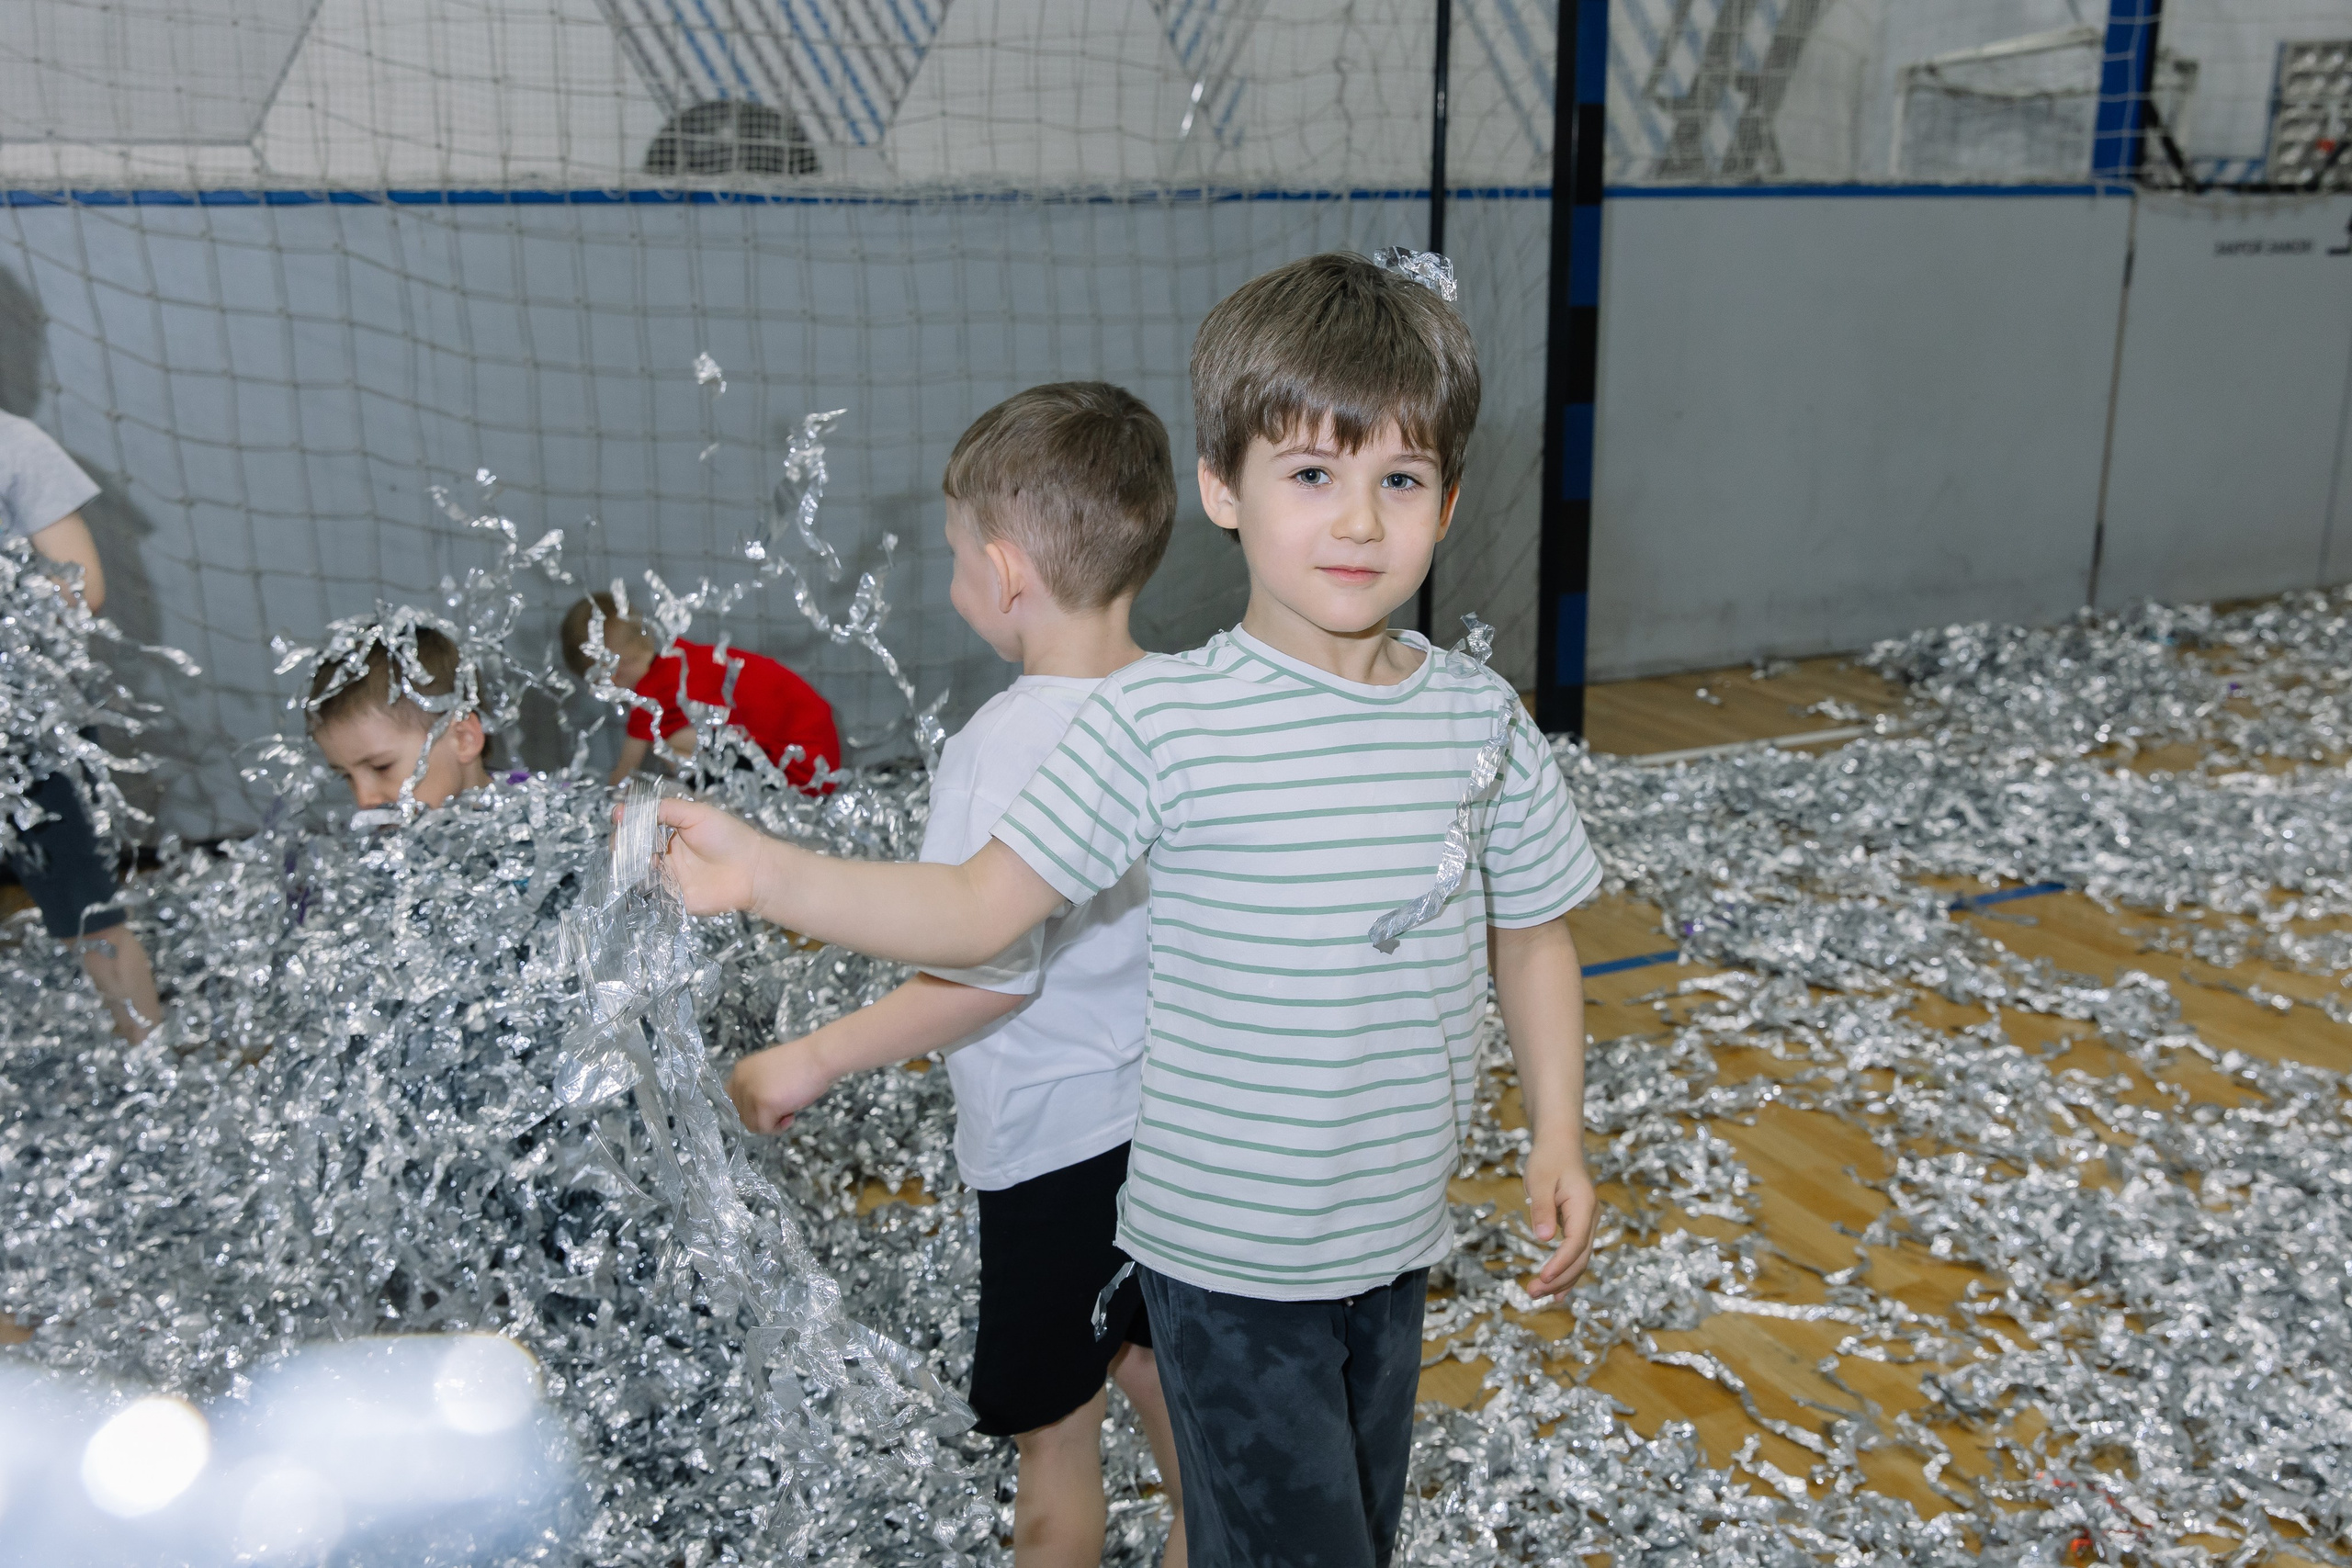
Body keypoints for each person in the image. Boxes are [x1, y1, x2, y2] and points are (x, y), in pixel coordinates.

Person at [652, 252, 1602, 1566]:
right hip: (1224, 1260)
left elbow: (1534, 928)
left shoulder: (1478, 722)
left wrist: (1558, 1127)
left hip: (1389, 1247)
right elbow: (981, 911)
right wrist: (765, 871)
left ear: (1446, 503)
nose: (1360, 522)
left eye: (1401, 479)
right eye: (1313, 474)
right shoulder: (1163, 723)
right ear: (1224, 487)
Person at [727, 383, 1186, 1567]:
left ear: (1004, 569)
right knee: (1160, 1378)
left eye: (949, 559)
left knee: (1056, 1441)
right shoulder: (1183, 706)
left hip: (1056, 1151)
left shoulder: (1001, 748)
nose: (950, 585)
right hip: (1182, 1138)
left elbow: (988, 973)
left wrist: (811, 1055)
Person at [2, 408, 164, 1043]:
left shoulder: (15, 445)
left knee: (90, 911)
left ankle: (153, 1065)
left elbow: (82, 586)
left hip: (32, 727)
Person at [560, 594, 841, 791]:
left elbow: (623, 774)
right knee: (688, 740)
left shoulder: (649, 695)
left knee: (671, 746)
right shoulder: (680, 657)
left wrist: (608, 808)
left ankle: (724, 806)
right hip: (818, 757)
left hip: (803, 773)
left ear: (609, 674)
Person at [308, 618, 493, 810]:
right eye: (346, 776)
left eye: (382, 767)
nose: (364, 800)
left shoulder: (524, 821)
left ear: (463, 738)